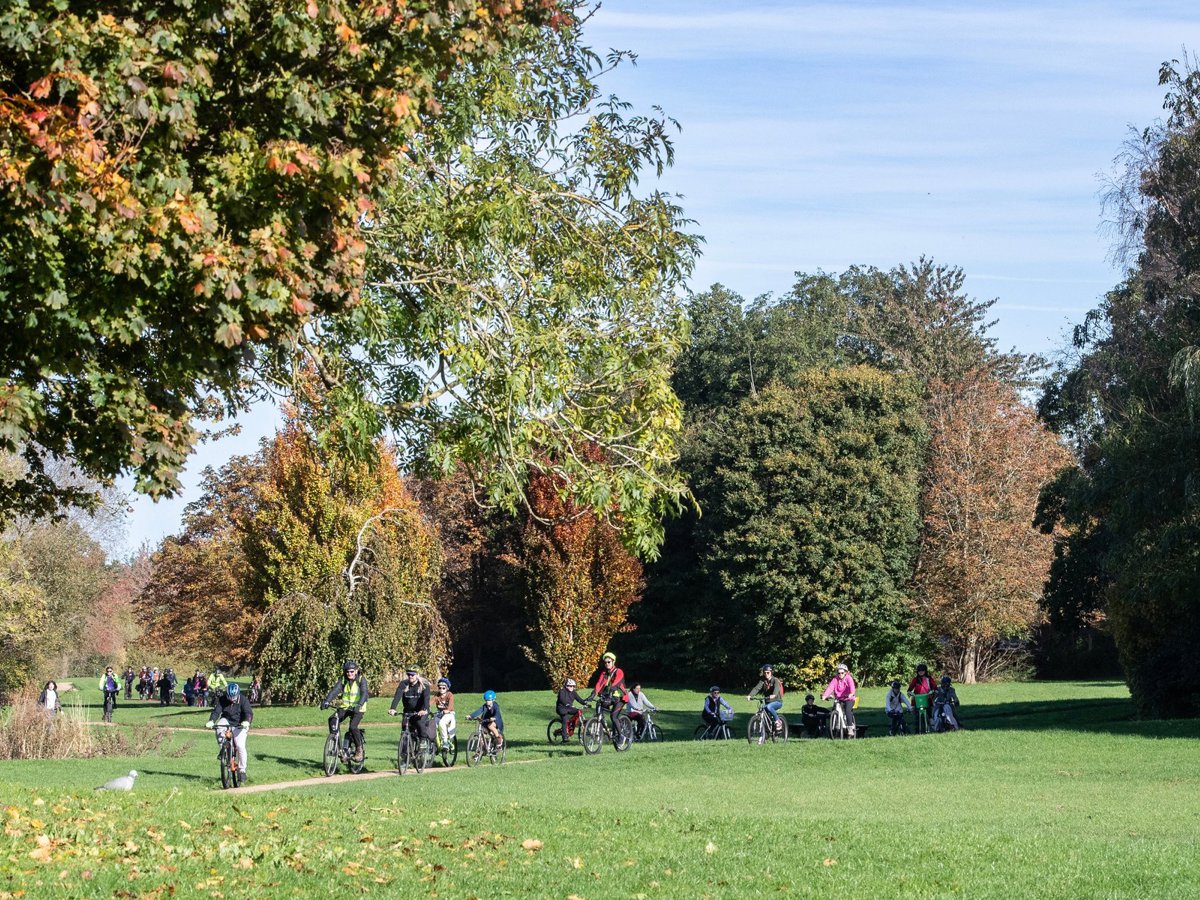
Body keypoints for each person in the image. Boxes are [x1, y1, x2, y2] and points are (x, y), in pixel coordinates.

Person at [321, 659, 370, 760]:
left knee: (352, 727)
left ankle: (359, 750)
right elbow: (335, 690)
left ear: (356, 671)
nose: (349, 673)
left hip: (358, 709)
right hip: (346, 707)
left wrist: (359, 704)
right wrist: (327, 701)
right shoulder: (343, 680)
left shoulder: (361, 680)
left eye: (352, 671)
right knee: (332, 720)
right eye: (347, 671)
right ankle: (337, 746)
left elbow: (365, 693)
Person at [206, 682, 252, 785]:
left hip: (240, 723)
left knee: (240, 746)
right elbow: (216, 712)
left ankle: (242, 770)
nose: (232, 699)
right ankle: (223, 748)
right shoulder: (222, 699)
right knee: (219, 728)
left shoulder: (243, 700)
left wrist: (246, 722)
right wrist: (212, 721)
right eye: (230, 697)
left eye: (234, 697)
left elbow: (248, 713)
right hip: (226, 720)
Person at [585, 651, 628, 736]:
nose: (607, 664)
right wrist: (592, 694)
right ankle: (602, 724)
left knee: (613, 716)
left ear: (613, 662)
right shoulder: (604, 673)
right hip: (609, 696)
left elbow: (616, 683)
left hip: (620, 697)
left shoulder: (619, 671)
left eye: (609, 662)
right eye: (605, 662)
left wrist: (610, 694)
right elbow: (599, 684)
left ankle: (621, 736)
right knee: (599, 705)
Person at [388, 667, 435, 744]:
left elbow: (426, 698)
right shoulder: (404, 684)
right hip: (408, 711)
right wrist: (393, 708)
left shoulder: (424, 685)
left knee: (419, 723)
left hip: (421, 710)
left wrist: (424, 710)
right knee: (405, 728)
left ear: (417, 675)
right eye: (408, 674)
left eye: (412, 674)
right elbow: (397, 696)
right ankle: (405, 752)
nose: (410, 676)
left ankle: (423, 741)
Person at [821, 663, 857, 736]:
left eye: (842, 673)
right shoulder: (835, 679)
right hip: (839, 698)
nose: (840, 674)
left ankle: (850, 728)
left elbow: (852, 688)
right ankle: (835, 725)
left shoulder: (848, 678)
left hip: (849, 699)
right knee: (834, 709)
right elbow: (830, 688)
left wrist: (851, 693)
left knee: (847, 711)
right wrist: (825, 696)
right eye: (838, 673)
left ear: (846, 672)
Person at [746, 664, 784, 733]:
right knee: (761, 711)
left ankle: (778, 721)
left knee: (769, 707)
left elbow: (776, 688)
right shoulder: (763, 680)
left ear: (771, 672)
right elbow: (757, 688)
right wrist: (750, 695)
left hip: (777, 701)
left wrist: (774, 695)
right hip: (768, 701)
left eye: (768, 672)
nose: (766, 674)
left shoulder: (775, 680)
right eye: (764, 672)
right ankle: (765, 731)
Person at [908, 663, 937, 731]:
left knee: (930, 713)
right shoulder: (915, 679)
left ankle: (931, 727)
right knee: (916, 716)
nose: (921, 672)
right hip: (917, 699)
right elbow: (910, 688)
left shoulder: (929, 679)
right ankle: (917, 730)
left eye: (922, 670)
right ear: (917, 671)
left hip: (927, 698)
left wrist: (933, 691)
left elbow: (934, 687)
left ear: (925, 671)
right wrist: (909, 692)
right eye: (919, 670)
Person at [432, 678, 455, 748]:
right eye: (439, 687)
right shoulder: (437, 695)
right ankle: (434, 742)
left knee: (442, 723)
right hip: (439, 713)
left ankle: (445, 742)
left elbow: (451, 706)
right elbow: (430, 703)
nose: (441, 689)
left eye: (443, 688)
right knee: (431, 724)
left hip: (449, 714)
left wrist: (447, 710)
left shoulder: (449, 695)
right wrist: (424, 709)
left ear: (447, 688)